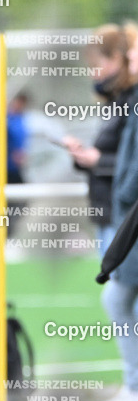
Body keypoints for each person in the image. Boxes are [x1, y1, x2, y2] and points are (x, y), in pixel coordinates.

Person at [63, 23, 138, 258]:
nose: (92, 73)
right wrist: (85, 157)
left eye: (96, 66)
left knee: (116, 294)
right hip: (108, 209)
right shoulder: (115, 101)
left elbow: (131, 163)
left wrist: (99, 161)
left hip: (124, 212)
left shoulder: (130, 103)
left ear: (117, 59)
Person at [95, 27, 138, 401]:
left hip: (128, 217)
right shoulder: (130, 99)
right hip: (125, 215)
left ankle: (134, 387)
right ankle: (133, 386)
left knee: (118, 297)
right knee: (117, 297)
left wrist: (124, 193)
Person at [0, 91, 29, 184]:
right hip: (3, 165)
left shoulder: (20, 118)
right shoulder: (6, 119)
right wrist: (12, 152)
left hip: (15, 166)